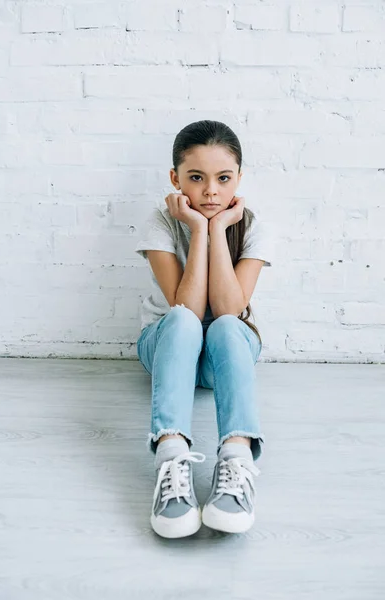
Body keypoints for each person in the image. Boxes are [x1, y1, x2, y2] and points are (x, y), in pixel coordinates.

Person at [135, 120, 274, 539]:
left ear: (239, 179)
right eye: (196, 178)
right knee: (180, 319)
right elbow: (188, 310)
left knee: (228, 326)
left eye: (223, 179)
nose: (211, 191)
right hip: (167, 347)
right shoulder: (161, 222)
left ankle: (236, 457)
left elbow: (231, 309)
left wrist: (217, 228)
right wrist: (198, 229)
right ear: (176, 179)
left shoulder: (255, 227)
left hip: (222, 356)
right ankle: (171, 456)